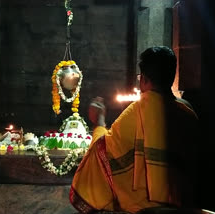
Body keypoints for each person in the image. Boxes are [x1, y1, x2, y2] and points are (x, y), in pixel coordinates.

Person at [69, 46, 199, 214]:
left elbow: (101, 149)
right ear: (172, 76)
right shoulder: (188, 112)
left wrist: (99, 120)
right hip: (182, 205)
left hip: (142, 208)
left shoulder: (137, 110)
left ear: (143, 79)